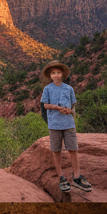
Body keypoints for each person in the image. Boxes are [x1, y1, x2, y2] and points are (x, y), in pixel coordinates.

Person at [40, 60, 92, 193]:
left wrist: (69, 111)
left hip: (68, 124)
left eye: (58, 72)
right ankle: (61, 177)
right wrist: (57, 108)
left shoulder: (69, 89)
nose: (56, 75)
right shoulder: (47, 89)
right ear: (50, 75)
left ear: (62, 74)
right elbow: (45, 105)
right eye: (53, 73)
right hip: (54, 124)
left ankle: (77, 176)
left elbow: (73, 106)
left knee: (73, 149)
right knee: (56, 150)